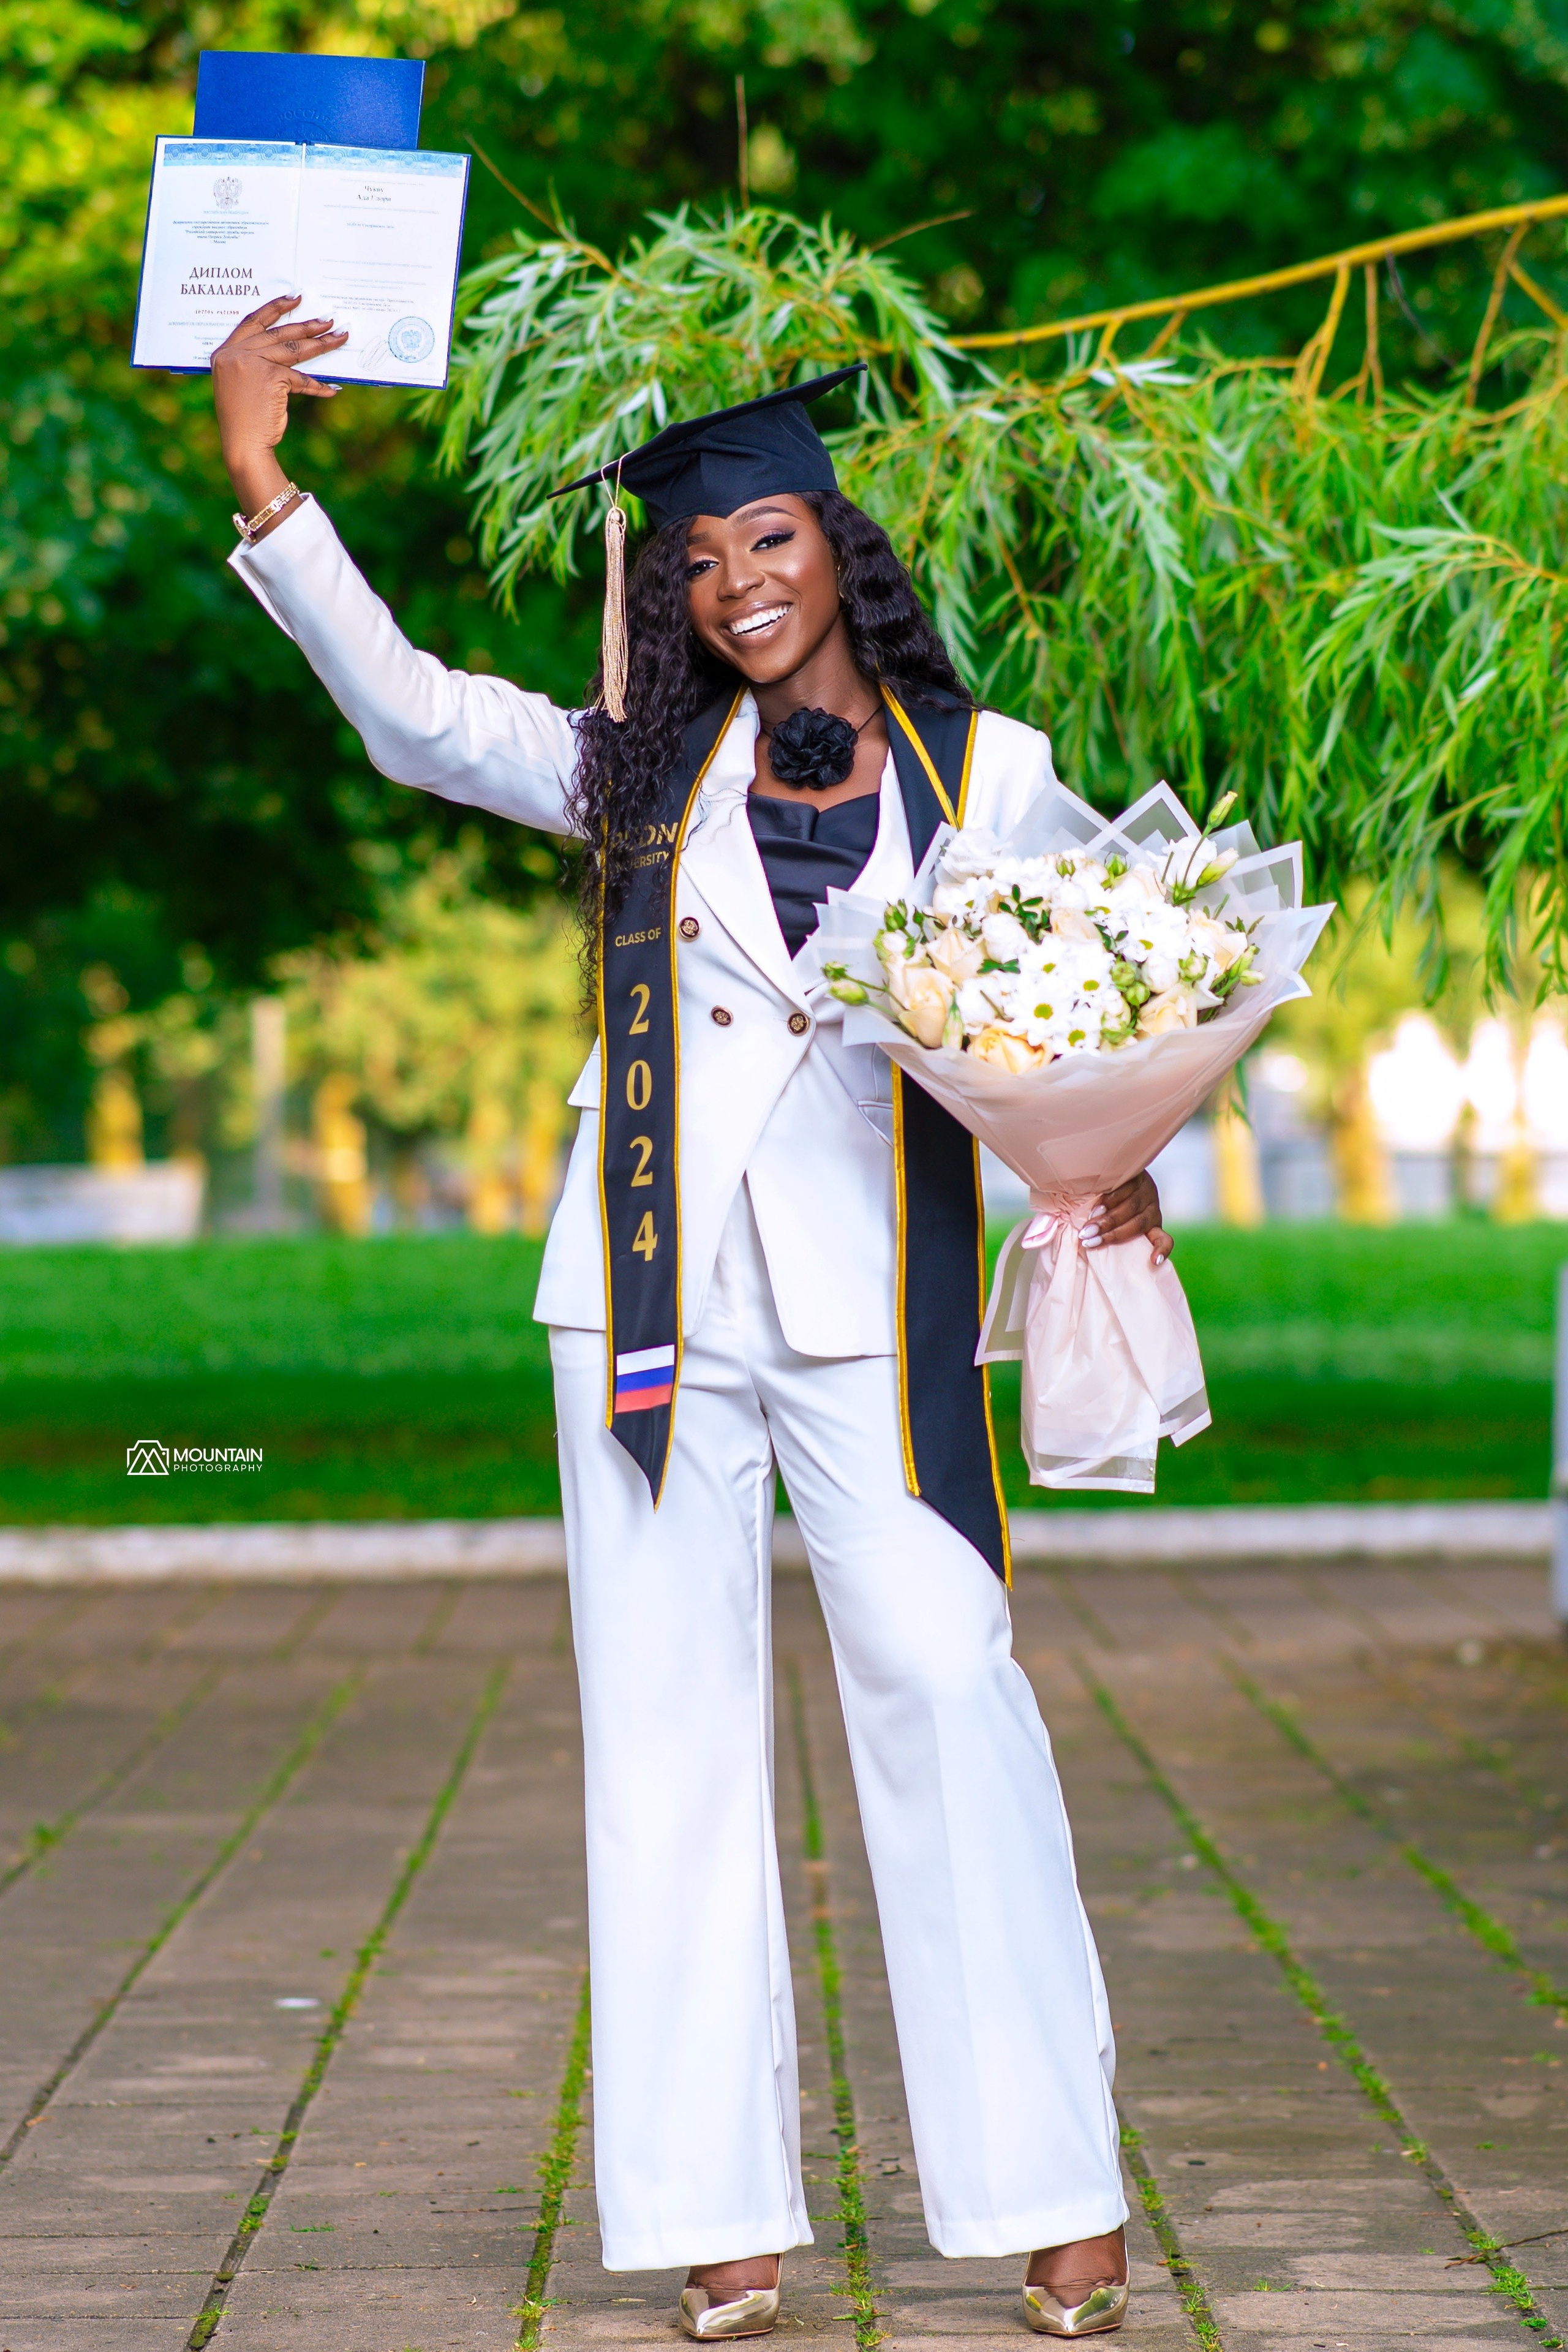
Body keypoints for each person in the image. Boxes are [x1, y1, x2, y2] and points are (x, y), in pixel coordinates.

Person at [211, 295, 1174, 2341]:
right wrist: (267, 482)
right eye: (700, 564)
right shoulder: (630, 766)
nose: (737, 588)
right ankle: (715, 2212)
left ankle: (1050, 2187)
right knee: (666, 1742)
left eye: (771, 546)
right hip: (642, 1304)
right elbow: (406, 714)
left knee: (945, 1680)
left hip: (871, 1296)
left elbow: (1095, 991)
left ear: (840, 547)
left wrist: (1106, 1142)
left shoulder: (991, 770)